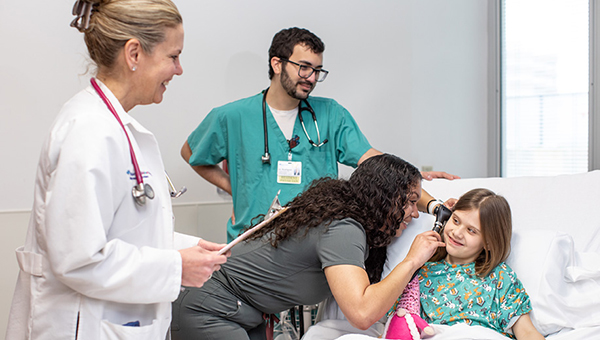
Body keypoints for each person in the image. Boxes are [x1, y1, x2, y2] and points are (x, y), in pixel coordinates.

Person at [6, 1, 228, 339]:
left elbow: (121, 232)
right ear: (134, 54)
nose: (179, 70)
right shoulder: (89, 131)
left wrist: (190, 246)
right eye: (173, 56)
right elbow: (79, 258)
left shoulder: (116, 127)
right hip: (83, 325)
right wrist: (177, 265)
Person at [181, 27, 458, 242]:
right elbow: (191, 153)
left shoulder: (331, 115)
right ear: (277, 64)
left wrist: (418, 184)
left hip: (313, 243)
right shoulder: (233, 116)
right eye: (303, 67)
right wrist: (238, 188)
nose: (311, 77)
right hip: (251, 242)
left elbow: (375, 164)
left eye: (317, 70)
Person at [170, 154, 447, 340]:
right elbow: (362, 313)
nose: (413, 213)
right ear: (385, 199)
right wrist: (411, 260)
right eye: (410, 202)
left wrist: (437, 207)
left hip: (237, 311)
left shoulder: (340, 211)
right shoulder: (344, 229)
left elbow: (407, 192)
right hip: (209, 308)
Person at [417, 188, 545, 339]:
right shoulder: (423, 272)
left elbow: (527, 332)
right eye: (456, 220)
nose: (457, 233)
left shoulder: (500, 277)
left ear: (489, 242)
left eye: (471, 230)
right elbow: (404, 323)